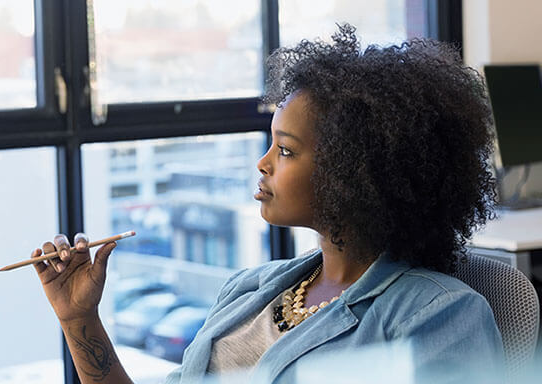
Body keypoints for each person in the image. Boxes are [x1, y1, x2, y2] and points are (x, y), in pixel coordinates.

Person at [30, 24, 504, 383]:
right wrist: (79, 319)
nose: (262, 163)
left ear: (356, 169)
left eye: (286, 149)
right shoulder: (248, 290)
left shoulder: (437, 315)